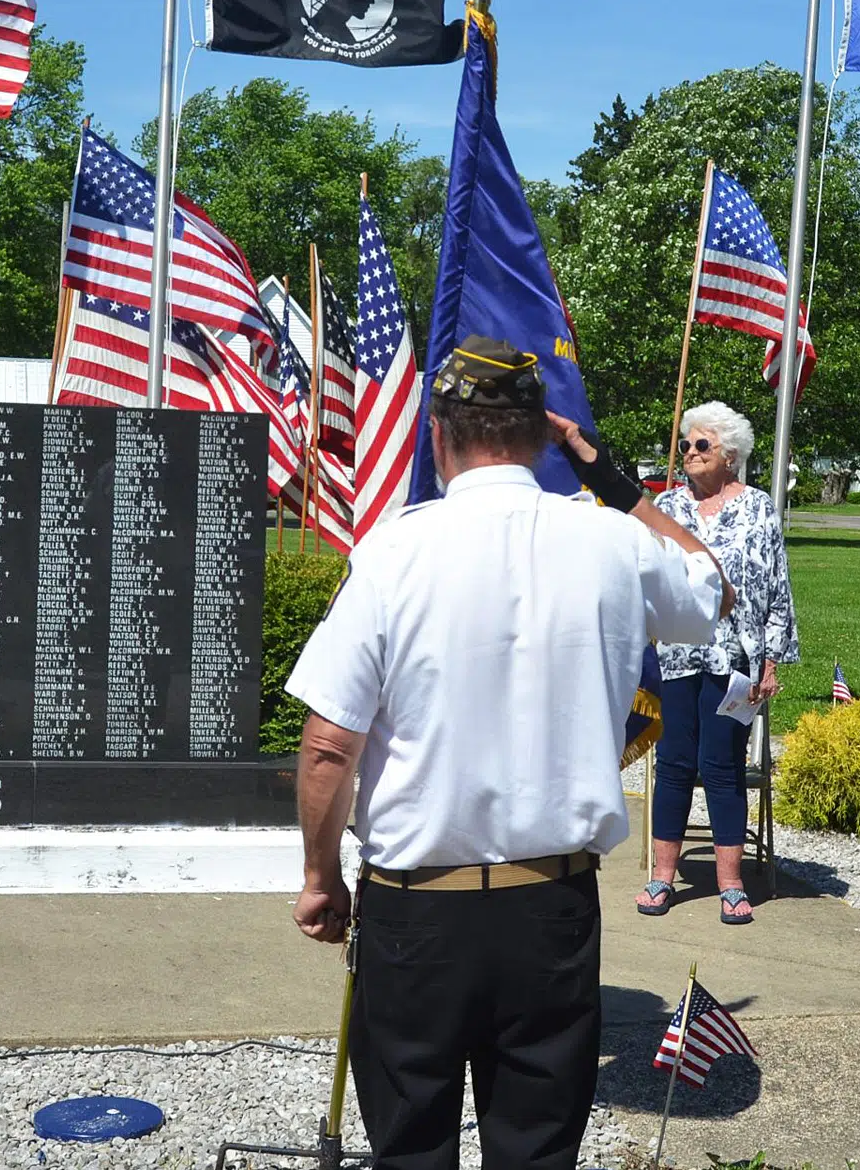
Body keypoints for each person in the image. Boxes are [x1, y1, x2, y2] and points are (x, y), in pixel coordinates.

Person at [286, 336, 730, 1170]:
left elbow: (327, 748)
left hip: (416, 912)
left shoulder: (393, 551)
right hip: (550, 906)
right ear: (541, 435)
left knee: (410, 1145)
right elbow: (712, 583)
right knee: (535, 1151)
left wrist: (320, 881)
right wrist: (603, 472)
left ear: (441, 436)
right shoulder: (609, 541)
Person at [637, 401, 797, 925]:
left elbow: (777, 588)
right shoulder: (668, 506)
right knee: (677, 765)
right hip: (678, 655)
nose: (689, 453)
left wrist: (771, 660)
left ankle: (731, 884)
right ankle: (662, 878)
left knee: (721, 767)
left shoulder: (758, 508)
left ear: (730, 454)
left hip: (736, 656)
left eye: (701, 445)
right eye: (685, 445)